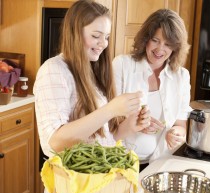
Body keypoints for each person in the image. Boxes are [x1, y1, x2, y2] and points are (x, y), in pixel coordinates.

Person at [33, 0, 150, 160]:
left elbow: (101, 141)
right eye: (96, 36)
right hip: (74, 182)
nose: (103, 44)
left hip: (101, 178)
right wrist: (110, 110)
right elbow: (55, 142)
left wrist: (130, 125)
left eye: (107, 37)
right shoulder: (53, 70)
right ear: (74, 32)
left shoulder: (93, 70)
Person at [113, 9, 192, 170]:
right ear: (146, 39)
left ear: (175, 48)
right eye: (155, 40)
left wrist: (175, 134)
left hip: (161, 164)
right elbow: (108, 118)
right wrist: (136, 122)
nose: (160, 49)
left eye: (168, 44)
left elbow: (180, 125)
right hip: (120, 162)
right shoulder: (122, 65)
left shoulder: (182, 76)